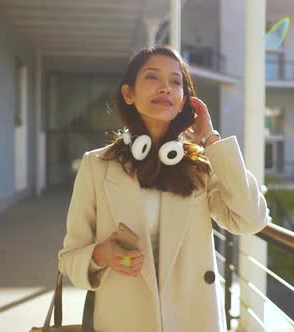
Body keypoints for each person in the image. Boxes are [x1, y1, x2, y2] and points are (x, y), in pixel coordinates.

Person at [58, 45, 269, 332]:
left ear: (184, 101)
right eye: (152, 77)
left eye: (175, 81)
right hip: (123, 321)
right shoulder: (96, 165)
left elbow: (251, 220)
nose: (165, 88)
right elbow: (69, 258)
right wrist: (101, 255)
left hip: (193, 320)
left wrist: (211, 140)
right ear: (128, 94)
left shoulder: (202, 165)